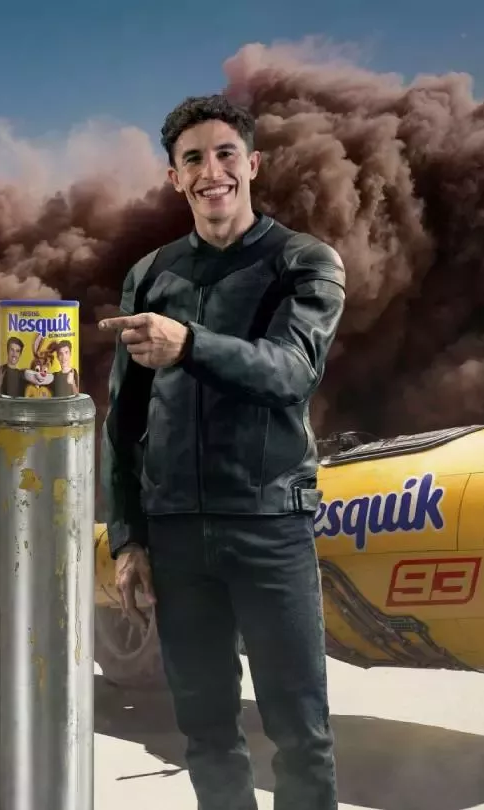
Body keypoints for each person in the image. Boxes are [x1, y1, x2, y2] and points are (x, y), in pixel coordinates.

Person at [98, 94, 347, 810]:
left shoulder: (304, 262)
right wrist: (129, 537)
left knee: (300, 733)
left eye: (225, 154)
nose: (212, 172)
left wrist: (188, 344)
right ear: (174, 177)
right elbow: (124, 422)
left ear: (253, 164)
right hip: (176, 536)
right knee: (205, 733)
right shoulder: (150, 275)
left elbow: (290, 372)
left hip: (270, 526)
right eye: (194, 160)